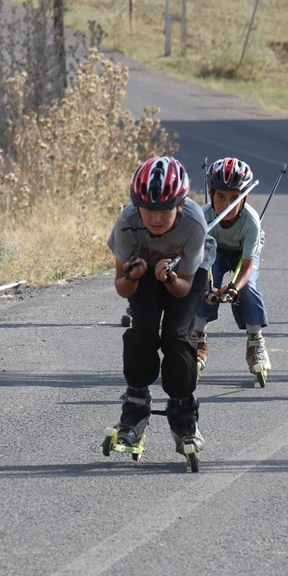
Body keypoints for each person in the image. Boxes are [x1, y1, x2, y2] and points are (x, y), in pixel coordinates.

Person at [107, 156, 211, 455]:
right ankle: (135, 402)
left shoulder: (193, 224)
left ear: (181, 204)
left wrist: (169, 278)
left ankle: (184, 412)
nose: (155, 218)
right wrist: (132, 275)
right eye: (147, 209)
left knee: (177, 337)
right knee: (143, 330)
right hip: (144, 275)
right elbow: (121, 287)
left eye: (165, 210)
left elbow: (184, 288)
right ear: (135, 205)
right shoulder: (127, 223)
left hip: (184, 277)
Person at [193, 157, 271, 382]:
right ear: (211, 194)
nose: (227, 204)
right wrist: (209, 288)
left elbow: (246, 267)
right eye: (221, 197)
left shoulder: (251, 222)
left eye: (235, 198)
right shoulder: (202, 217)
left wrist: (234, 288)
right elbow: (201, 262)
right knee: (201, 286)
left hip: (242, 254)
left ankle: (255, 340)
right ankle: (197, 336)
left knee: (248, 289)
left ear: (245, 197)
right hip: (214, 250)